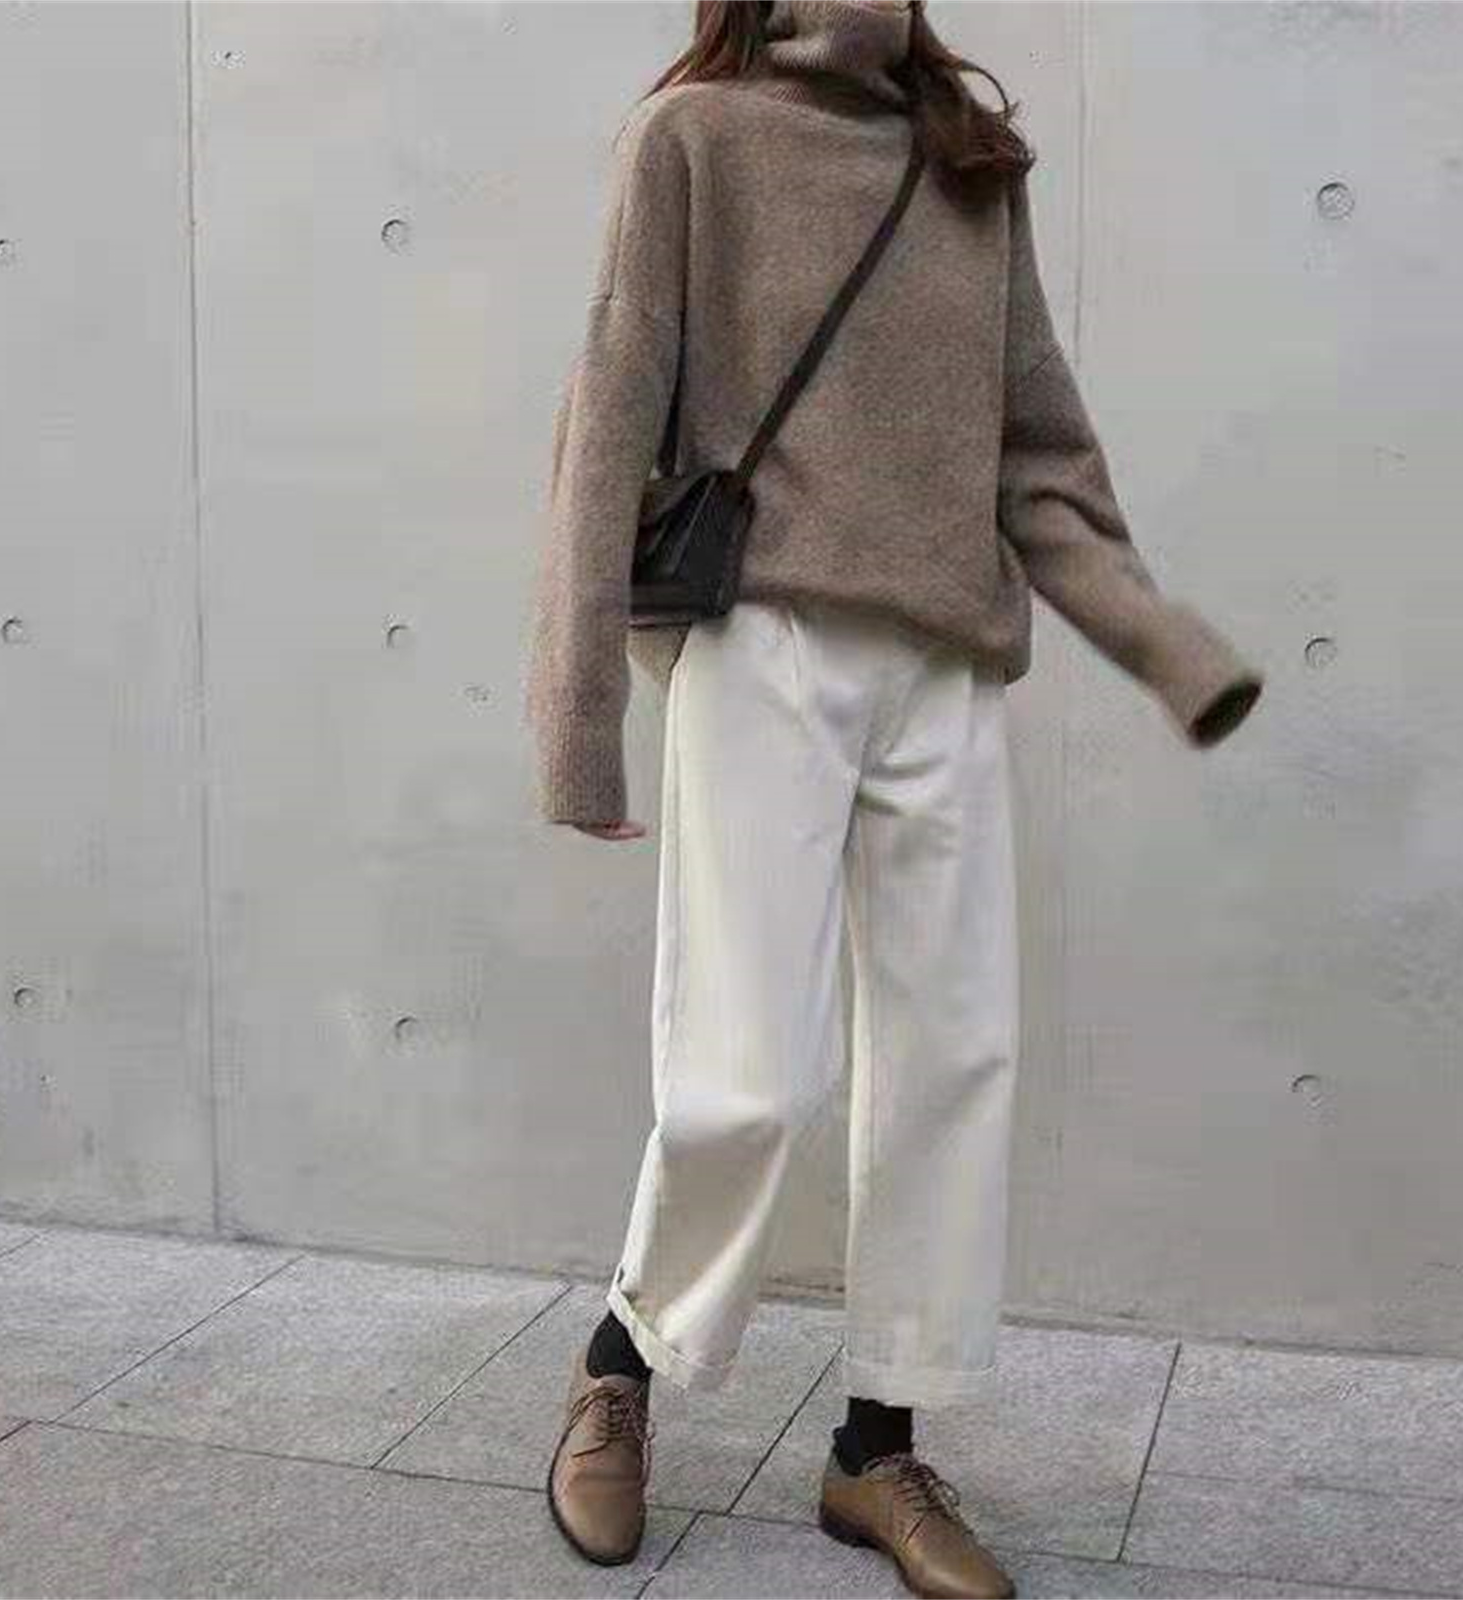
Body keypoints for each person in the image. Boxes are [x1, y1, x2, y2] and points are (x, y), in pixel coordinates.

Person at [523, 2, 1264, 1594]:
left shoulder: (968, 164)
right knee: (748, 1072)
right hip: (761, 643)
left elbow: (1039, 458)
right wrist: (580, 717)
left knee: (948, 1057)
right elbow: (608, 418)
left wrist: (1165, 644)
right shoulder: (694, 141)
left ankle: (876, 1448)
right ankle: (620, 1361)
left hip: (943, 661)